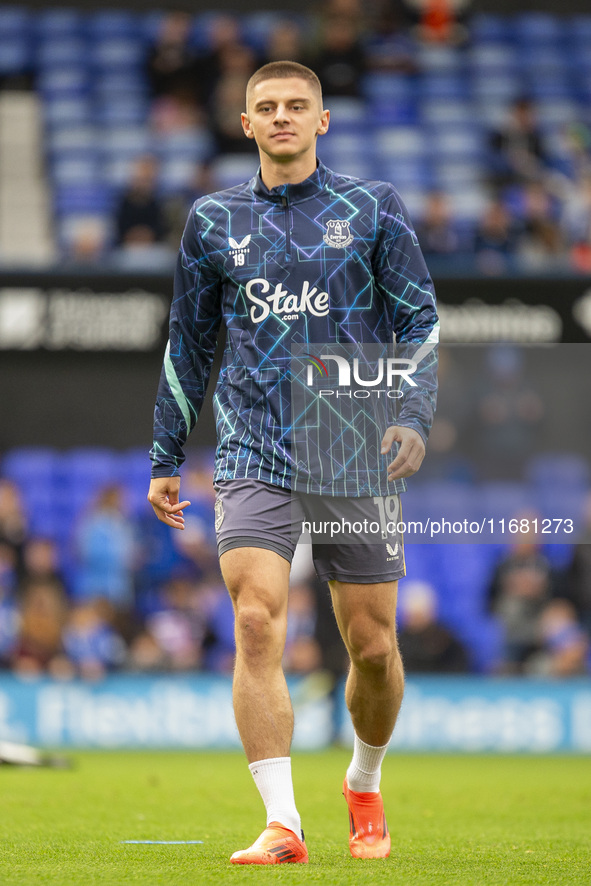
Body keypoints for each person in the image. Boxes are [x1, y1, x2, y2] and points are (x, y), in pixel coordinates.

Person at [148, 61, 438, 864]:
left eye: (295, 106)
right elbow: (189, 342)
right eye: (265, 107)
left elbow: (418, 320)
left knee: (372, 647)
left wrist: (412, 417)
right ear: (244, 124)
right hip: (251, 449)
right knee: (252, 619)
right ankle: (283, 822)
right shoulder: (212, 220)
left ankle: (364, 781)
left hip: (353, 451)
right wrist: (166, 450)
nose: (281, 117)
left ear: (322, 121)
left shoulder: (371, 208)